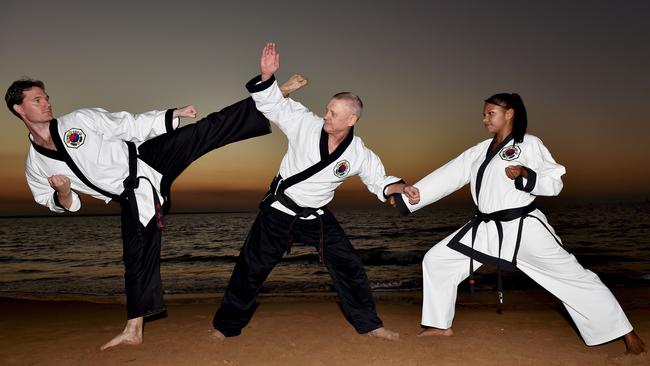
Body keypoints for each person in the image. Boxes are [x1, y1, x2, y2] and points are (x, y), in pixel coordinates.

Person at [4, 76, 301, 350]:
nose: (46, 103)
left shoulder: (78, 120)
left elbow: (128, 125)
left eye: (46, 98)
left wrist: (173, 115)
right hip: (130, 194)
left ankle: (272, 96)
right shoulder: (37, 165)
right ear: (20, 109)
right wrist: (65, 192)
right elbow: (55, 202)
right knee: (136, 258)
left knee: (206, 131)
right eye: (37, 100)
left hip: (147, 158)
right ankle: (134, 329)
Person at [393, 93, 645, 354]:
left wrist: (526, 174)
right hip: (486, 227)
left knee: (575, 279)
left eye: (491, 113)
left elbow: (554, 182)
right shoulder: (481, 150)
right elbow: (449, 174)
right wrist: (412, 196)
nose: (484, 119)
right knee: (438, 260)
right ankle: (438, 325)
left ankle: (627, 334)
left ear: (509, 113)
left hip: (524, 228)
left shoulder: (530, 144)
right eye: (484, 113)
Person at [211, 43, 406, 341]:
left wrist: (399, 188)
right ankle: (225, 327)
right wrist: (267, 74)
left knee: (349, 265)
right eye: (327, 110)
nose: (326, 115)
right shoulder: (305, 122)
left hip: (316, 217)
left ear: (351, 120)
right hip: (279, 211)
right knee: (250, 269)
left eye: (333, 113)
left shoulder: (358, 152)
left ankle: (370, 325)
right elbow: (272, 105)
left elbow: (379, 180)